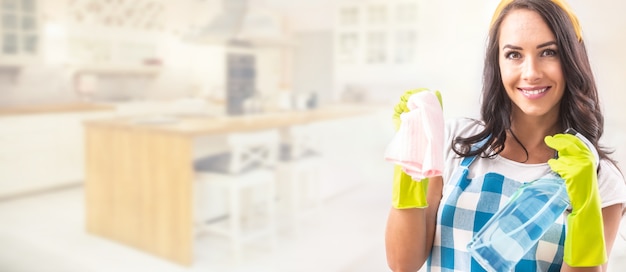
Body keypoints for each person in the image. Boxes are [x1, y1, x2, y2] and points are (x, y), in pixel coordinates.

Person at [384, 0, 626, 271]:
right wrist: (414, 154)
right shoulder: (456, 143)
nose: (531, 72)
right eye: (514, 54)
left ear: (571, 59)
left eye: (548, 52)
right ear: (497, 63)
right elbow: (403, 263)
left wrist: (584, 206)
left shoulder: (597, 177)